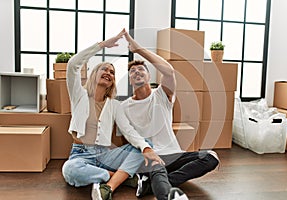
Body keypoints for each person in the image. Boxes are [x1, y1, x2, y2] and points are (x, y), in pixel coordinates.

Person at [61, 29, 164, 200]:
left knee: (144, 144)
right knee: (70, 171)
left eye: (112, 72)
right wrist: (102, 45)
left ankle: (109, 184)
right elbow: (73, 65)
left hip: (107, 154)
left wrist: (146, 148)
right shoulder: (79, 95)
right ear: (95, 74)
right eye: (104, 69)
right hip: (81, 154)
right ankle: (118, 178)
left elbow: (129, 131)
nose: (108, 73)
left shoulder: (115, 105)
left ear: (112, 82)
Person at [119, 30, 220, 200]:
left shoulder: (161, 94)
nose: (136, 72)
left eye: (141, 69)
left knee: (211, 157)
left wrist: (138, 49)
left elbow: (169, 71)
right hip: (148, 156)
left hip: (174, 155)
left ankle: (150, 186)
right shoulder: (123, 107)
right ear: (130, 80)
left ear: (149, 75)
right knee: (156, 166)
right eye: (132, 71)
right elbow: (128, 136)